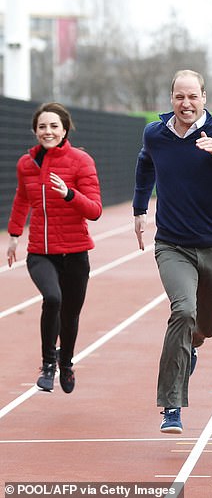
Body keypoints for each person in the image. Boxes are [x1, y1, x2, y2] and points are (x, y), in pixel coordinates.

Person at [133, 69, 212, 434]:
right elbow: (145, 165)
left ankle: (192, 348)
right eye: (179, 97)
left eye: (193, 97)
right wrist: (140, 209)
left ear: (204, 98)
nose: (186, 104)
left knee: (205, 327)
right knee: (183, 310)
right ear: (171, 98)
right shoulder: (155, 134)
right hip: (172, 244)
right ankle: (171, 405)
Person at [6, 102, 102, 394]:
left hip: (74, 252)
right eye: (42, 127)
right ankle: (48, 363)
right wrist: (13, 235)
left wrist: (70, 194)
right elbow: (22, 198)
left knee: (71, 314)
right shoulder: (26, 164)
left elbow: (95, 210)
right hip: (40, 252)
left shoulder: (81, 161)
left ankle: (67, 362)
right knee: (53, 298)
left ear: (64, 129)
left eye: (53, 126)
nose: (47, 131)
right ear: (35, 130)